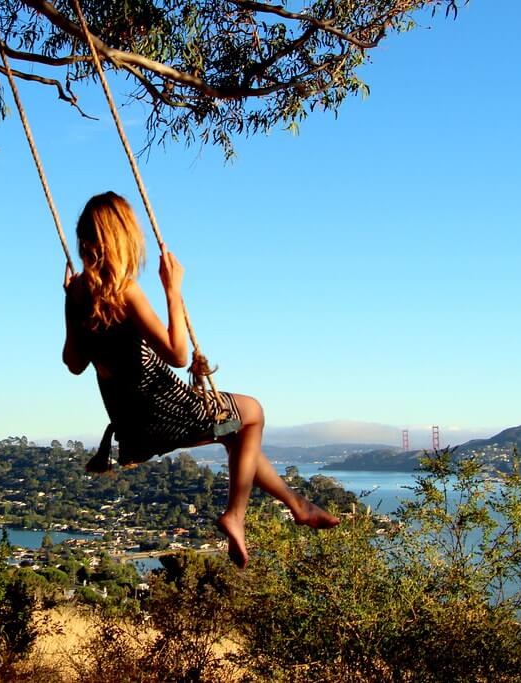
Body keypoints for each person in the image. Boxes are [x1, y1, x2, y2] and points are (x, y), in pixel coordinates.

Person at [62, 191, 339, 568]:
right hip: (163, 405)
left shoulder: (76, 293)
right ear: (124, 237)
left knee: (237, 436)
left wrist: (70, 306)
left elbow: (74, 363)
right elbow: (177, 354)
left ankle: (298, 505)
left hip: (131, 425)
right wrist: (172, 291)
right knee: (252, 412)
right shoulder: (127, 291)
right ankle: (235, 516)